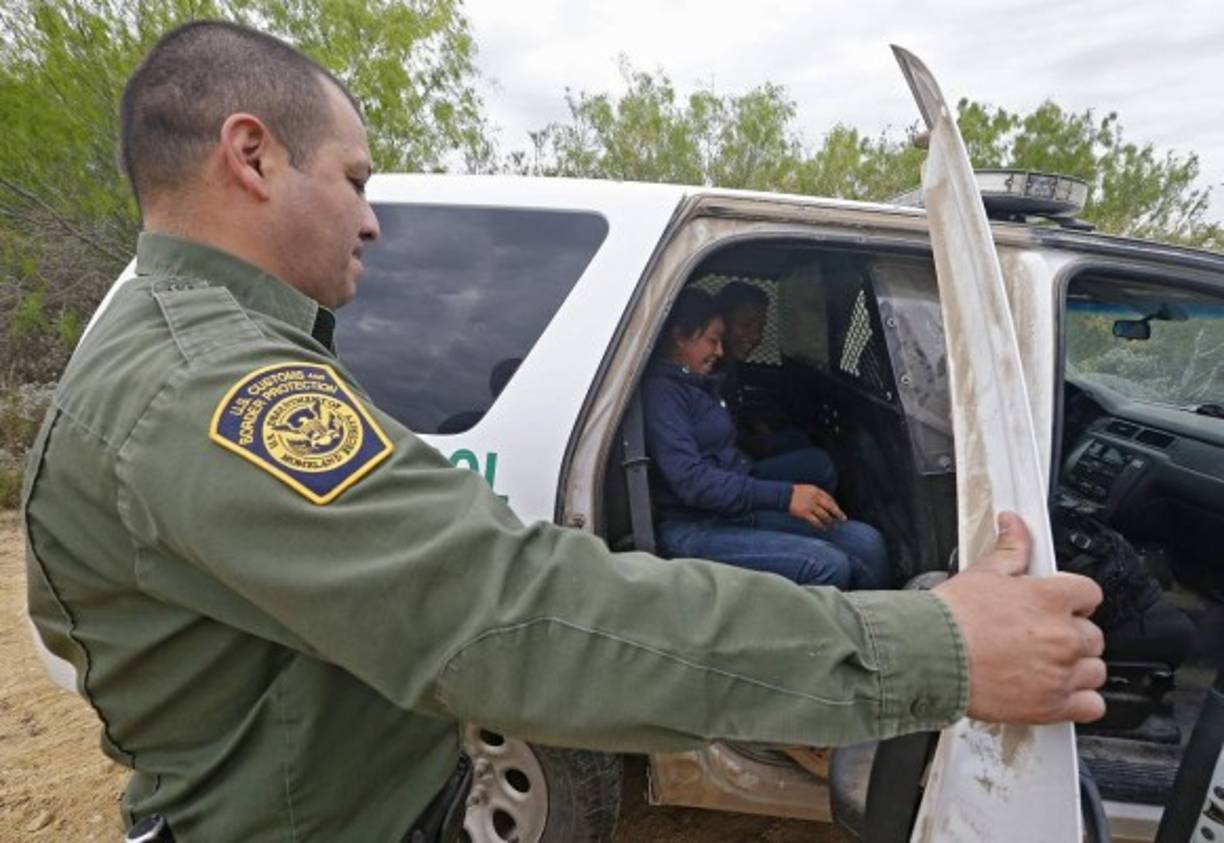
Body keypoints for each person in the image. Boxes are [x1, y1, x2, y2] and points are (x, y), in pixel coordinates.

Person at [22, 21, 1108, 842]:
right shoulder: (211, 387)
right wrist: (937, 647)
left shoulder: (208, 353)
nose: (373, 218)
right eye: (354, 179)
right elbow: (507, 616)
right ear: (252, 156)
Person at [642, 289, 890, 589]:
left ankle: (878, 616)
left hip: (729, 509)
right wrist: (784, 496)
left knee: (867, 543)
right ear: (681, 337)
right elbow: (693, 482)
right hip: (692, 525)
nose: (719, 351)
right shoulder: (662, 393)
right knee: (827, 565)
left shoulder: (697, 382)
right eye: (712, 340)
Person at [715, 280, 816, 458]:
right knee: (820, 463)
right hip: (732, 462)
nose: (756, 337)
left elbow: (734, 411)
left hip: (741, 448)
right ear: (720, 323)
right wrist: (756, 444)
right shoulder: (709, 371)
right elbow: (719, 432)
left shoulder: (728, 365)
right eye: (745, 325)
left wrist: (756, 424)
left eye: (760, 328)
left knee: (798, 439)